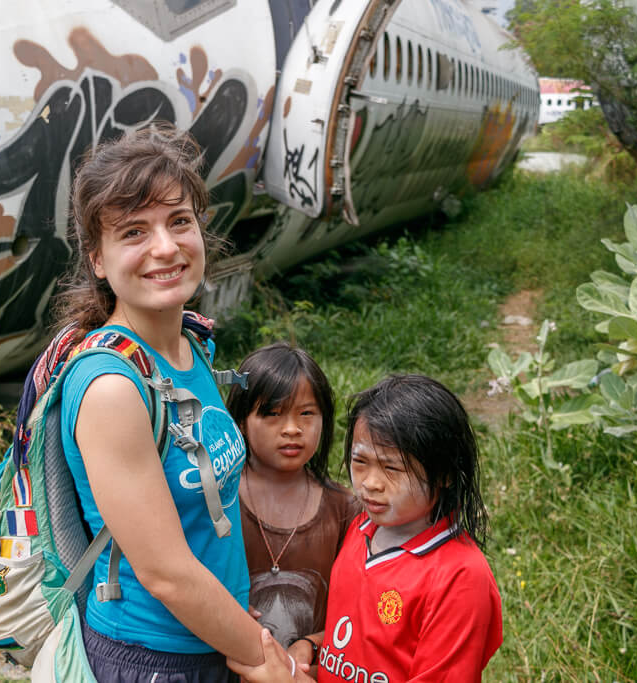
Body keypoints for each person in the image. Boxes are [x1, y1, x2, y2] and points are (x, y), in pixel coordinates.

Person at [56, 122, 277, 681]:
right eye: (133, 232)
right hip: (157, 658)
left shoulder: (190, 346)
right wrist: (268, 660)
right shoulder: (113, 388)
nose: (165, 247)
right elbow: (165, 574)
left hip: (213, 635)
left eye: (179, 221)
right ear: (98, 260)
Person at [229, 374, 503, 682]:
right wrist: (314, 646)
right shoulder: (362, 528)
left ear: (445, 473)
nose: (370, 484)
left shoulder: (460, 578)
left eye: (392, 468)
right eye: (360, 462)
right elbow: (363, 638)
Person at [225, 343, 359, 652]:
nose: (292, 429)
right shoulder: (219, 500)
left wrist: (312, 645)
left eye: (307, 413)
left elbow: (356, 609)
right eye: (272, 413)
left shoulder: (344, 509)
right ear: (242, 420)